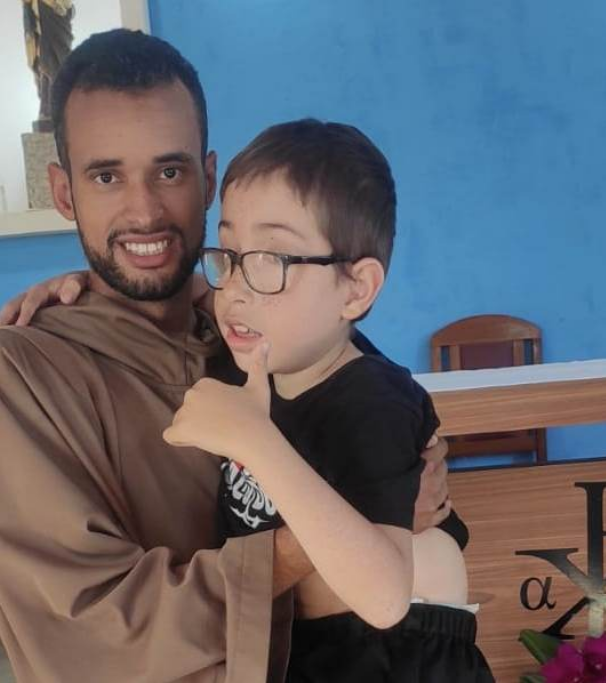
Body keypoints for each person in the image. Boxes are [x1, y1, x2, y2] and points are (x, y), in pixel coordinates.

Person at [0, 29, 450, 683]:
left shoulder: (247, 329)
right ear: (65, 192)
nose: (145, 211)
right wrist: (342, 529)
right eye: (106, 176)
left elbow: (373, 405)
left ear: (208, 178)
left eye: (170, 171)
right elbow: (87, 627)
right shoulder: (22, 373)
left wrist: (385, 488)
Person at [161, 119, 493, 682]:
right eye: (230, 253)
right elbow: (178, 297)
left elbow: (384, 599)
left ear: (356, 289)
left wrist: (254, 440)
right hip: (300, 648)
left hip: (397, 654)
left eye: (272, 259)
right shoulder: (261, 357)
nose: (235, 286)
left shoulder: (375, 400)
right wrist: (80, 289)